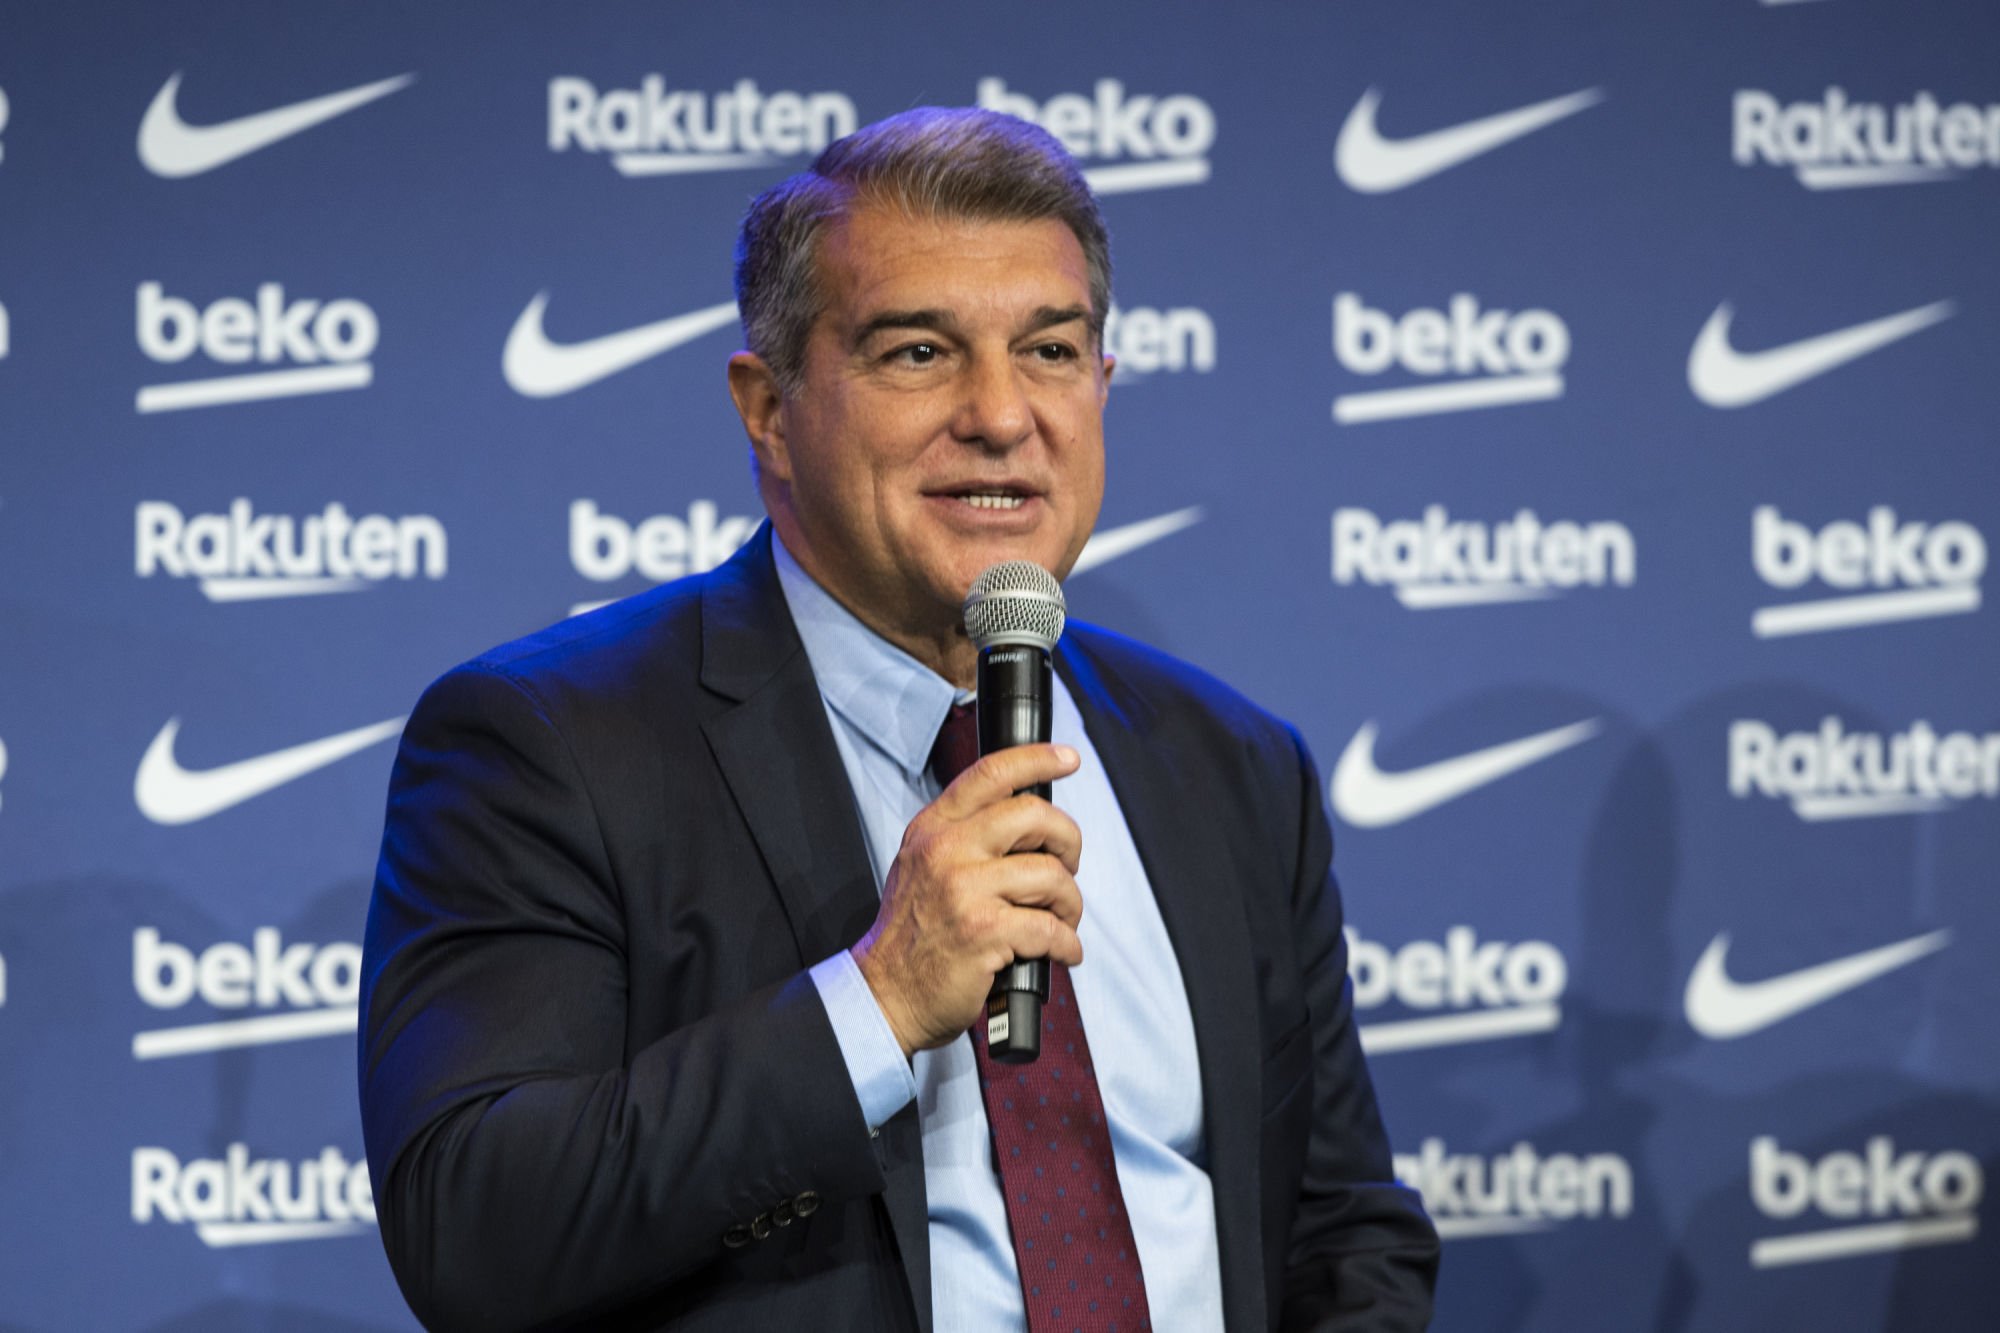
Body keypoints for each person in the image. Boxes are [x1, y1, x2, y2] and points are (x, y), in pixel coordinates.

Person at [359, 107, 1438, 1332]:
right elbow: (474, 1229)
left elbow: (1338, 1230)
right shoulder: (551, 743)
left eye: (1048, 350)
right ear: (768, 409)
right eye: (919, 352)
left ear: (1101, 384)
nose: (1000, 415)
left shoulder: (1229, 765)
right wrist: (875, 999)